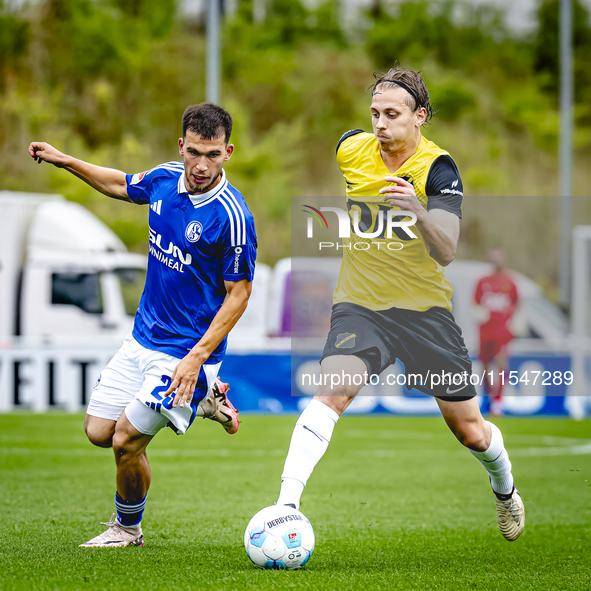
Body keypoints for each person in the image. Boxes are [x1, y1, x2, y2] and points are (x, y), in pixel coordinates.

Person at [275, 66, 525, 541]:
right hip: (360, 305)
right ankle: (285, 507)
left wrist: (416, 209)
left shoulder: (439, 169)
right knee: (331, 392)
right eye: (375, 113)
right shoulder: (352, 149)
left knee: (471, 431)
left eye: (392, 114)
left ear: (420, 117)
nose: (380, 124)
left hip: (424, 314)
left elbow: (447, 251)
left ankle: (504, 488)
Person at [28, 103, 257, 548]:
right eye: (194, 153)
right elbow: (119, 183)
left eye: (212, 154)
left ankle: (126, 528)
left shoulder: (232, 216)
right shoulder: (164, 179)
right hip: (140, 339)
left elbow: (240, 294)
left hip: (184, 355)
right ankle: (204, 402)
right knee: (100, 432)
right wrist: (67, 160)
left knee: (126, 443)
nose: (202, 165)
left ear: (228, 152)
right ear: (181, 146)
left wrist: (195, 360)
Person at [474, 249, 519, 416]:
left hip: (502, 333)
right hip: (485, 332)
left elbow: (517, 303)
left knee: (501, 365)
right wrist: (480, 313)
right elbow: (475, 303)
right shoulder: (483, 281)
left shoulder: (510, 281)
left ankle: (498, 402)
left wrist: (514, 322)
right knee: (485, 367)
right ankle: (487, 398)